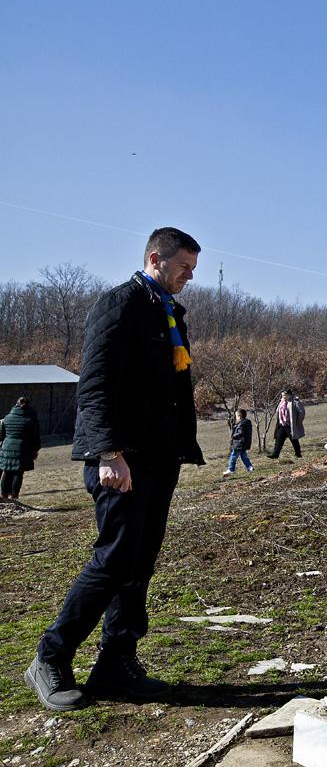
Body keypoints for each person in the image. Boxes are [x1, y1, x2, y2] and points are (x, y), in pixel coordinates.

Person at [27, 227, 204, 712]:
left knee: (139, 562)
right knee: (114, 560)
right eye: (184, 266)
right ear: (156, 258)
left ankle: (116, 662)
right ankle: (50, 656)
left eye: (193, 268)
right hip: (121, 459)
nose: (190, 276)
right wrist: (108, 453)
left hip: (157, 459)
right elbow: (96, 384)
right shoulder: (120, 305)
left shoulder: (168, 312)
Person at [0, 396, 41, 502]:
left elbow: (2, 434)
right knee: (18, 473)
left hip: (7, 447)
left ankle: (4, 495)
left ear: (16, 405)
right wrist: (36, 449)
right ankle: (14, 496)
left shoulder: (7, 417)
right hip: (23, 448)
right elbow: (35, 436)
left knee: (7, 471)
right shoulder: (31, 419)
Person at [267, 390, 305, 458]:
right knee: (279, 439)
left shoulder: (295, 402)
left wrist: (298, 422)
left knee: (293, 440)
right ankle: (275, 454)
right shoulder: (281, 402)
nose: (283, 397)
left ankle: (298, 454)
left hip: (290, 425)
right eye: (282, 395)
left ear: (289, 395)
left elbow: (301, 412)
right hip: (282, 424)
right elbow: (278, 411)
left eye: (284, 395)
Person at [223, 408, 255, 476]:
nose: (236, 418)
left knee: (233, 456)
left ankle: (231, 470)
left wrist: (233, 436)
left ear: (239, 416)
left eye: (236, 416)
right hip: (244, 443)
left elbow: (240, 433)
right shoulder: (247, 423)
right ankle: (250, 467)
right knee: (244, 456)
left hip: (239, 443)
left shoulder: (241, 424)